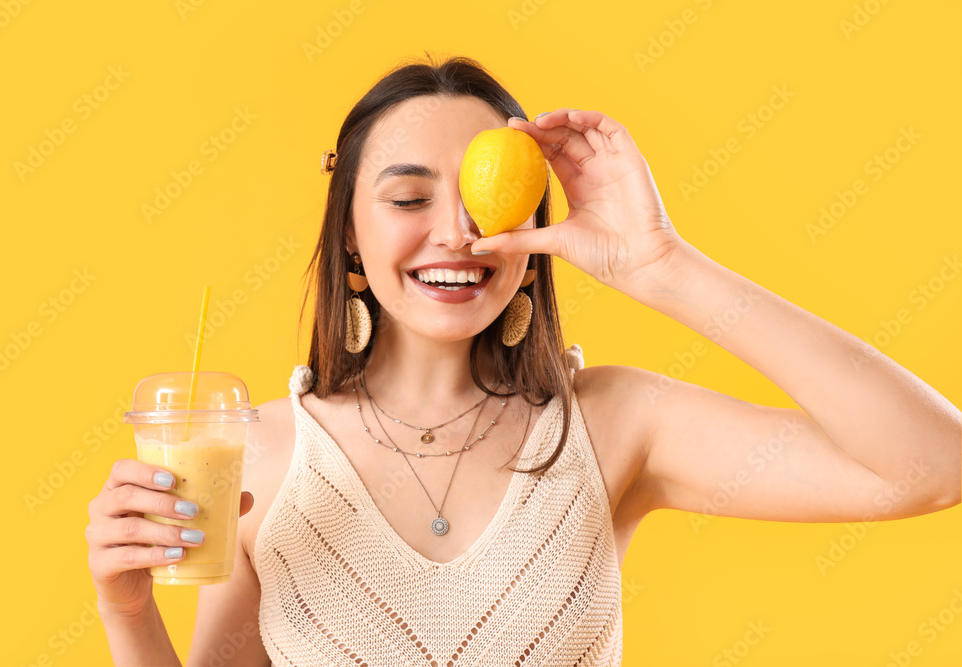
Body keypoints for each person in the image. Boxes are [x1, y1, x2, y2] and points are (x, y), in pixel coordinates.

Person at [86, 54, 961, 666]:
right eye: (407, 196)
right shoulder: (259, 452)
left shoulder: (617, 426)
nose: (458, 231)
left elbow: (933, 462)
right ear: (349, 235)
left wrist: (663, 266)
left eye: (484, 192)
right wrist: (126, 612)